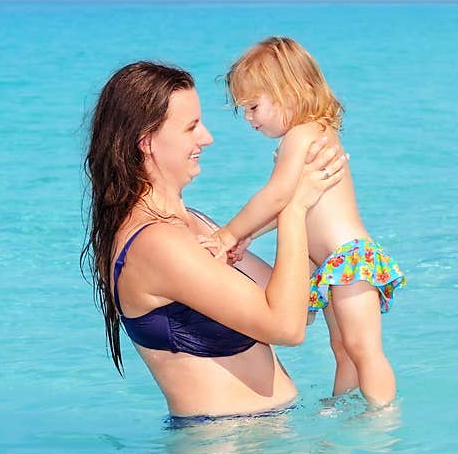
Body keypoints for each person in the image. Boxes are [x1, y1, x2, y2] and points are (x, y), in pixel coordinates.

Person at [81, 61, 347, 419]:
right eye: (191, 127)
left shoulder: (196, 223)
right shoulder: (155, 243)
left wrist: (327, 220)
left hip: (266, 440)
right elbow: (287, 327)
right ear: (146, 142)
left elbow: (299, 308)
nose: (206, 138)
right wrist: (293, 208)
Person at [199, 37, 406, 408]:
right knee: (343, 349)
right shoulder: (311, 134)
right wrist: (248, 236)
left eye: (253, 106)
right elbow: (293, 207)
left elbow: (276, 195)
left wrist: (228, 232)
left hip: (350, 259)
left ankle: (383, 418)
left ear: (289, 93)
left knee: (363, 348)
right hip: (334, 265)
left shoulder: (304, 133)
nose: (248, 118)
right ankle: (344, 408)